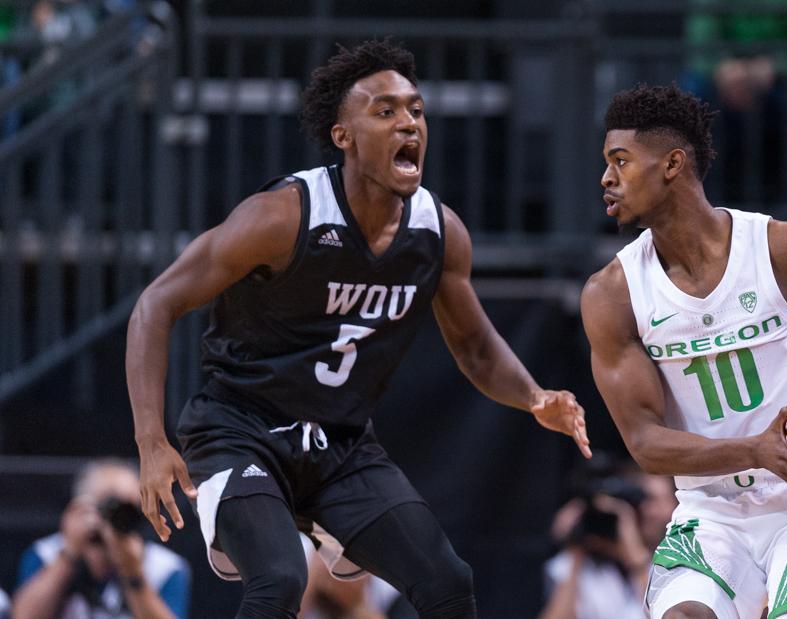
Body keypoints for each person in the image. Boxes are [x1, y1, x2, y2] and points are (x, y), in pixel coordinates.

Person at [124, 39, 590, 619]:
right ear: (343, 136)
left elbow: (475, 347)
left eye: (416, 110)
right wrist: (151, 442)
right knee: (278, 579)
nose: (409, 125)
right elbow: (156, 303)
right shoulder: (282, 217)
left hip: (340, 443)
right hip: (239, 429)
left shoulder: (438, 232)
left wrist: (535, 396)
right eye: (385, 111)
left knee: (447, 580)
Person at [580, 84, 787, 619]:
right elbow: (645, 443)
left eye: (620, 161)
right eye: (607, 163)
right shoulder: (612, 293)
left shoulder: (784, 248)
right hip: (711, 511)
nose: (607, 178)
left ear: (672, 164)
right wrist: (755, 451)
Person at [11, 459, 190, 619]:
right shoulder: (46, 554)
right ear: (81, 506)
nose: (113, 519)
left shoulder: (164, 567)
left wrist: (133, 573)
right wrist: (68, 556)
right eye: (106, 506)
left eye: (125, 509)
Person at [539, 458, 677, 619]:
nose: (644, 509)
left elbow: (663, 614)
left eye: (652, 500)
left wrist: (634, 557)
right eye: (639, 499)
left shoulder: (678, 563)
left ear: (677, 506)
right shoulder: (585, 562)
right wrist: (577, 542)